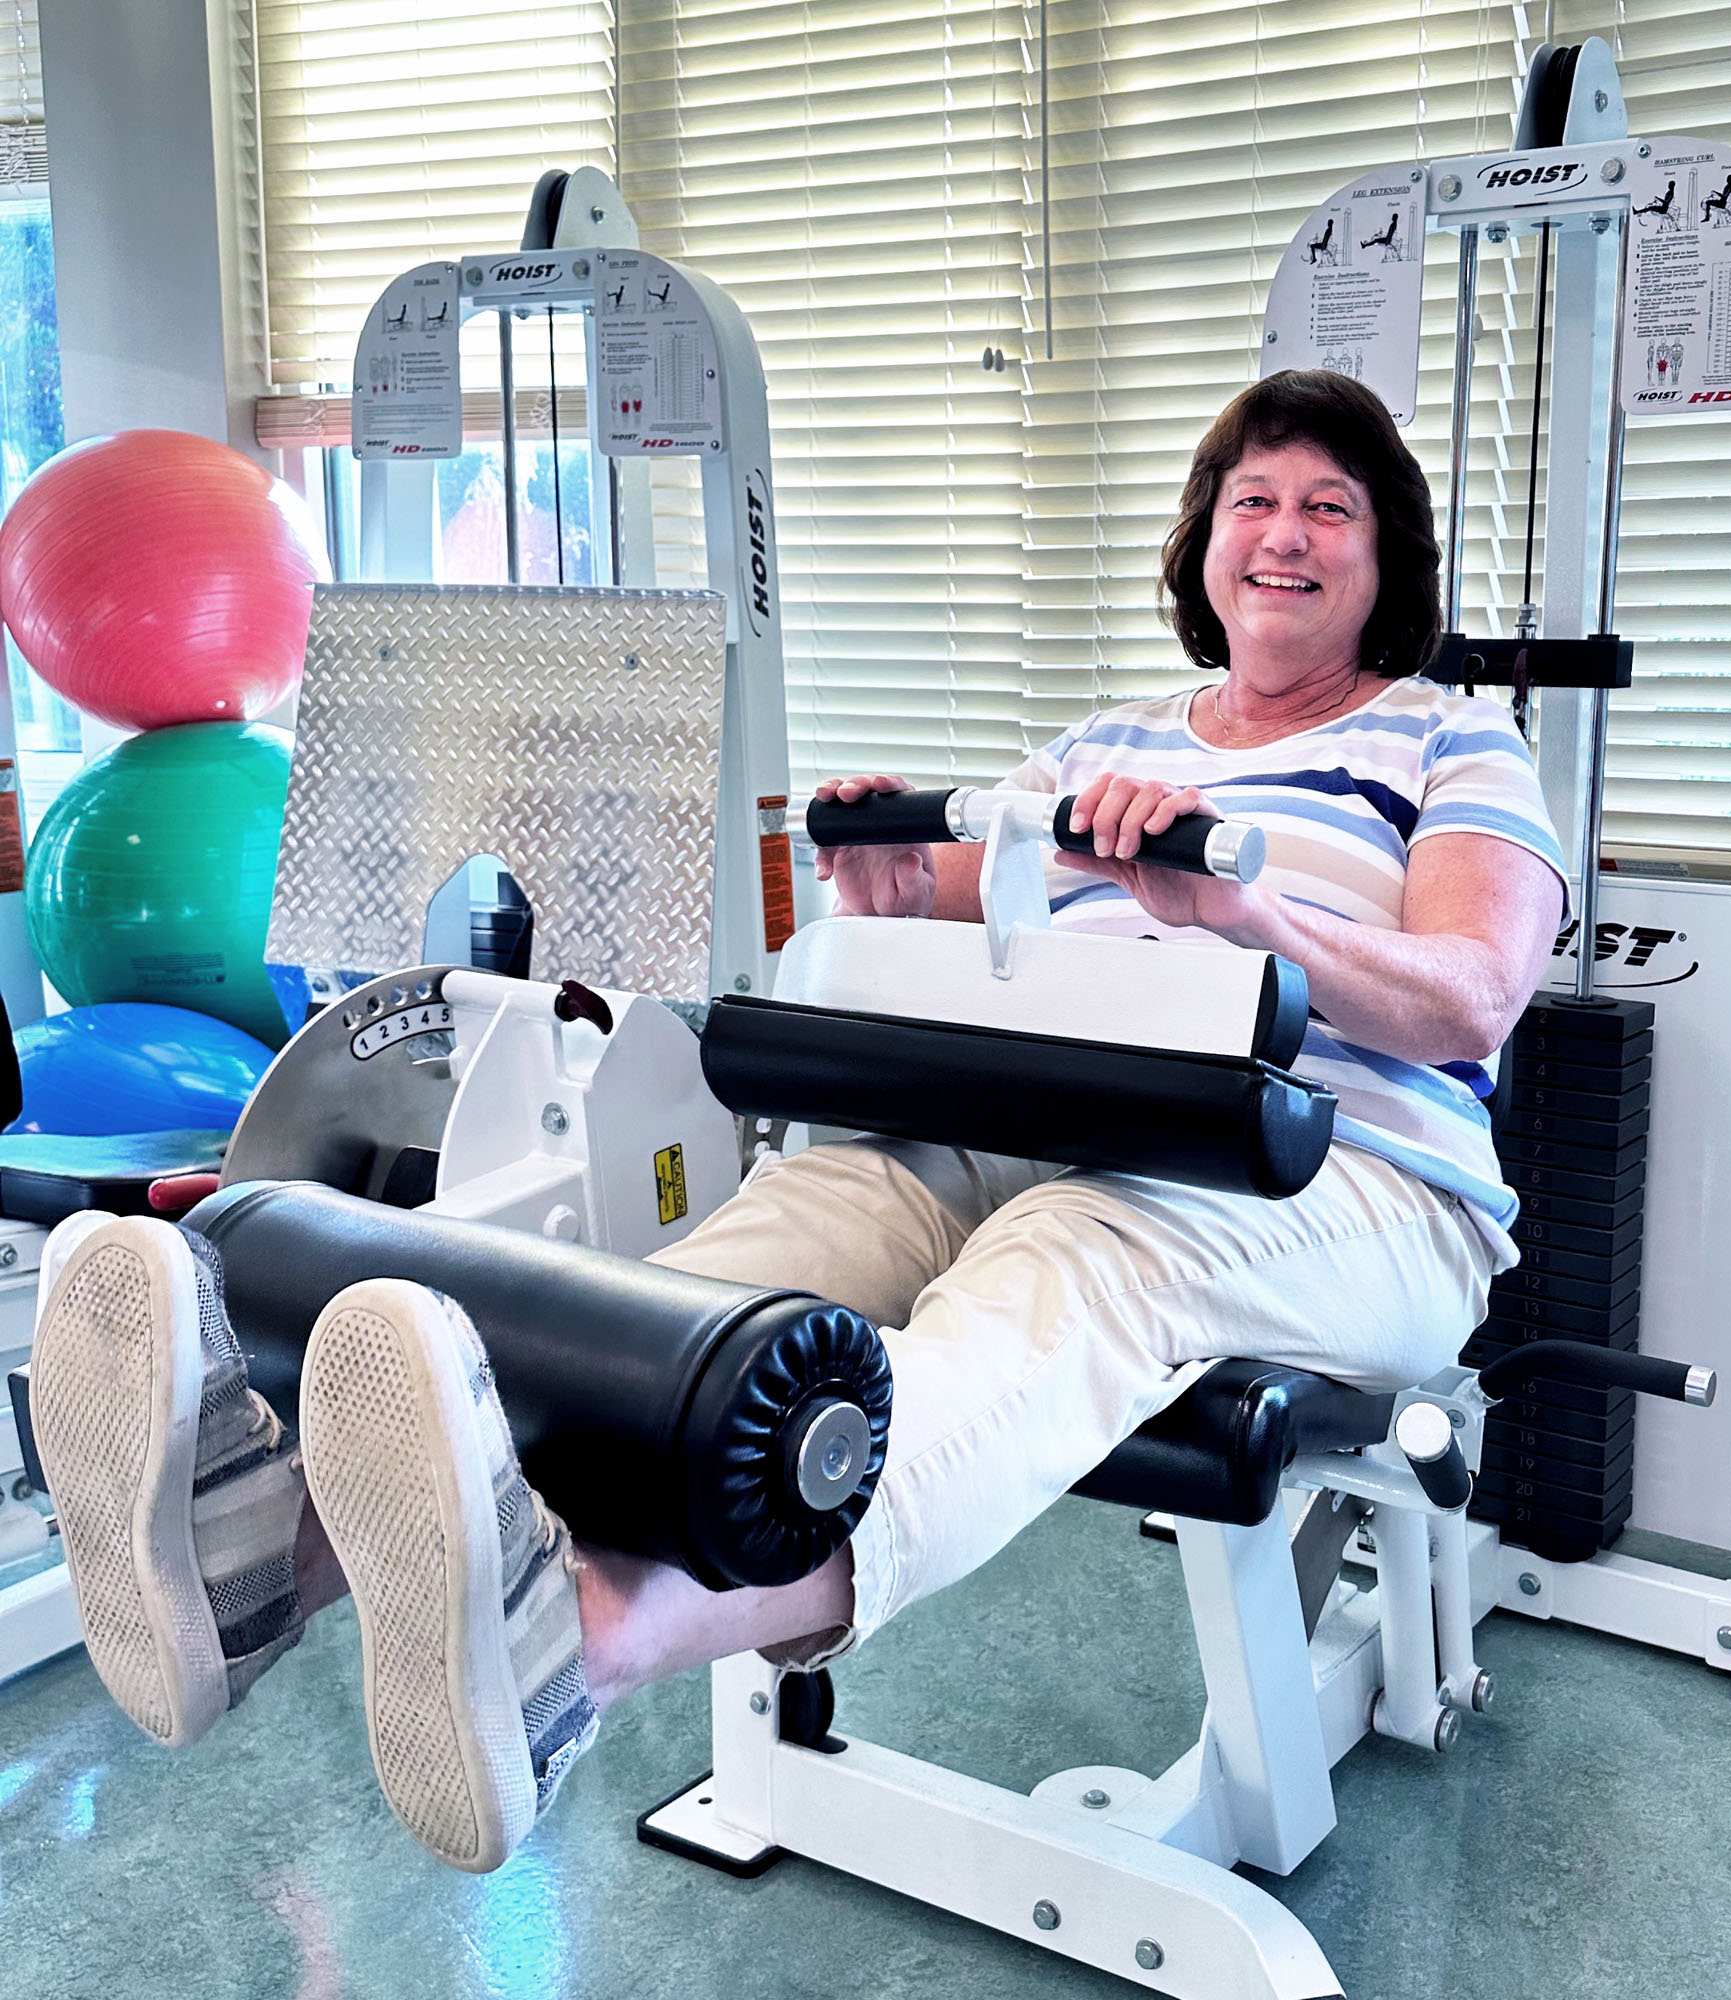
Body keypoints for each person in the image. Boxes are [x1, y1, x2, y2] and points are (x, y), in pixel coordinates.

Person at [29, 368, 1566, 1876]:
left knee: (1067, 1260)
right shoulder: (1113, 746)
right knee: (770, 1248)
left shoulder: (1448, 744)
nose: (1284, 533)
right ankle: (271, 1563)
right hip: (1046, 1117)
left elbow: (1469, 997)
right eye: (1253, 501)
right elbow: (945, 907)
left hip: (1346, 1181)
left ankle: (606, 1635)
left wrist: (1244, 912)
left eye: (1329, 508)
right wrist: (885, 873)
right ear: (1204, 540)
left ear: (1386, 560)